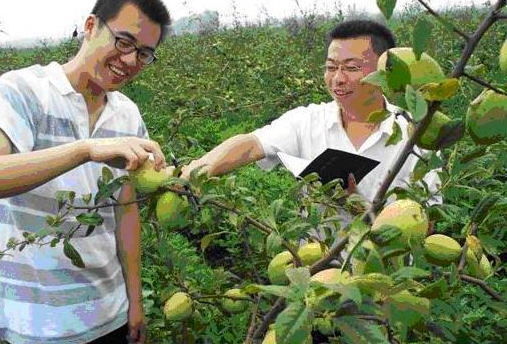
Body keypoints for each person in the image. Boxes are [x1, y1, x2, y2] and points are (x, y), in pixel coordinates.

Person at [0, 0, 170, 344]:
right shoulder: (22, 90)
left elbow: (125, 211)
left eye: (144, 54)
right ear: (91, 26)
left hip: (109, 315)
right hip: (40, 328)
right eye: (123, 42)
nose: (129, 61)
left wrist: (134, 301)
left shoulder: (127, 114)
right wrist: (86, 151)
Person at [181, 19, 441, 214]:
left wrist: (363, 211)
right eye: (330, 67)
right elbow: (250, 145)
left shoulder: (418, 135)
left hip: (392, 277)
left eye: (351, 68)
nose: (337, 79)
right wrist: (201, 169)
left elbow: (429, 219)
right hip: (317, 274)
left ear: (385, 72)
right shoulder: (307, 122)